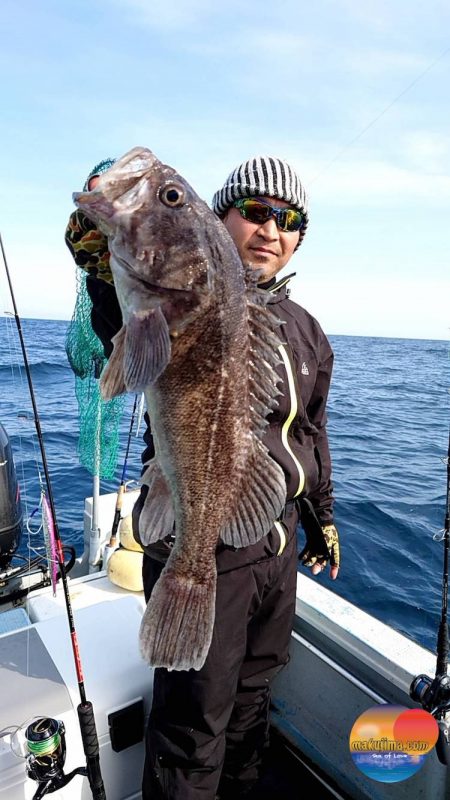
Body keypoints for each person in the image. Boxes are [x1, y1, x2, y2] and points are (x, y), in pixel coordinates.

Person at [65, 154, 340, 800]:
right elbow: (125, 333)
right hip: (202, 541)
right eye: (256, 212)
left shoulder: (308, 331)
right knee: (192, 731)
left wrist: (322, 516)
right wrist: (105, 274)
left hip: (275, 555)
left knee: (251, 712)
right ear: (218, 222)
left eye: (290, 219)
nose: (273, 229)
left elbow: (311, 434)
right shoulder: (172, 298)